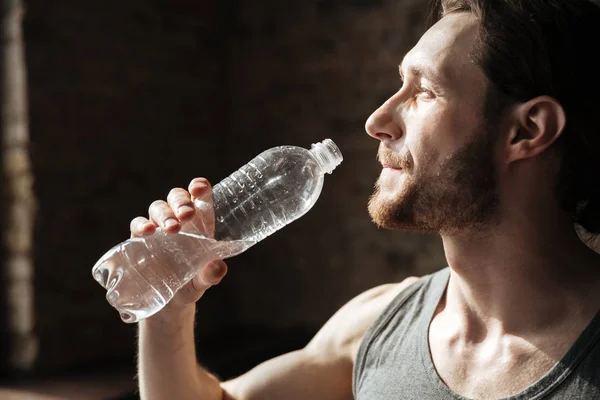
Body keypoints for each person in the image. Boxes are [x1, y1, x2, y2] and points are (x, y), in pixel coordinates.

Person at [133, 0, 600, 399]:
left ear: (527, 130)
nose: (377, 121)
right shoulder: (380, 322)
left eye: (424, 92)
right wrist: (169, 310)